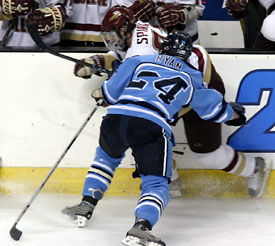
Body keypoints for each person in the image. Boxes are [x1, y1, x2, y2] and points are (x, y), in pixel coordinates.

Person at [62, 31, 247, 246]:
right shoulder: (193, 77)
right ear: (187, 54)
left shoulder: (138, 61)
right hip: (151, 125)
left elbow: (108, 95)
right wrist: (234, 115)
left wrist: (107, 86)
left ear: (162, 48)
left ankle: (86, 204)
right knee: (155, 182)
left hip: (116, 118)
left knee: (105, 160)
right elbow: (214, 110)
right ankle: (141, 227)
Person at [73, 5, 271, 199]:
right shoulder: (138, 34)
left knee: (207, 154)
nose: (112, 42)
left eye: (114, 37)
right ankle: (170, 178)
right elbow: (121, 57)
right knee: (141, 133)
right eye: (108, 39)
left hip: (200, 86)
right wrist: (98, 61)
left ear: (125, 31)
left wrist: (107, 92)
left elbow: (130, 73)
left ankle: (253, 168)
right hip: (170, 90)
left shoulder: (141, 49)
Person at [0, 0, 72, 46]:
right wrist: (5, 6)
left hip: (46, 45)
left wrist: (50, 18)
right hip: (8, 43)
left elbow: (64, 10)